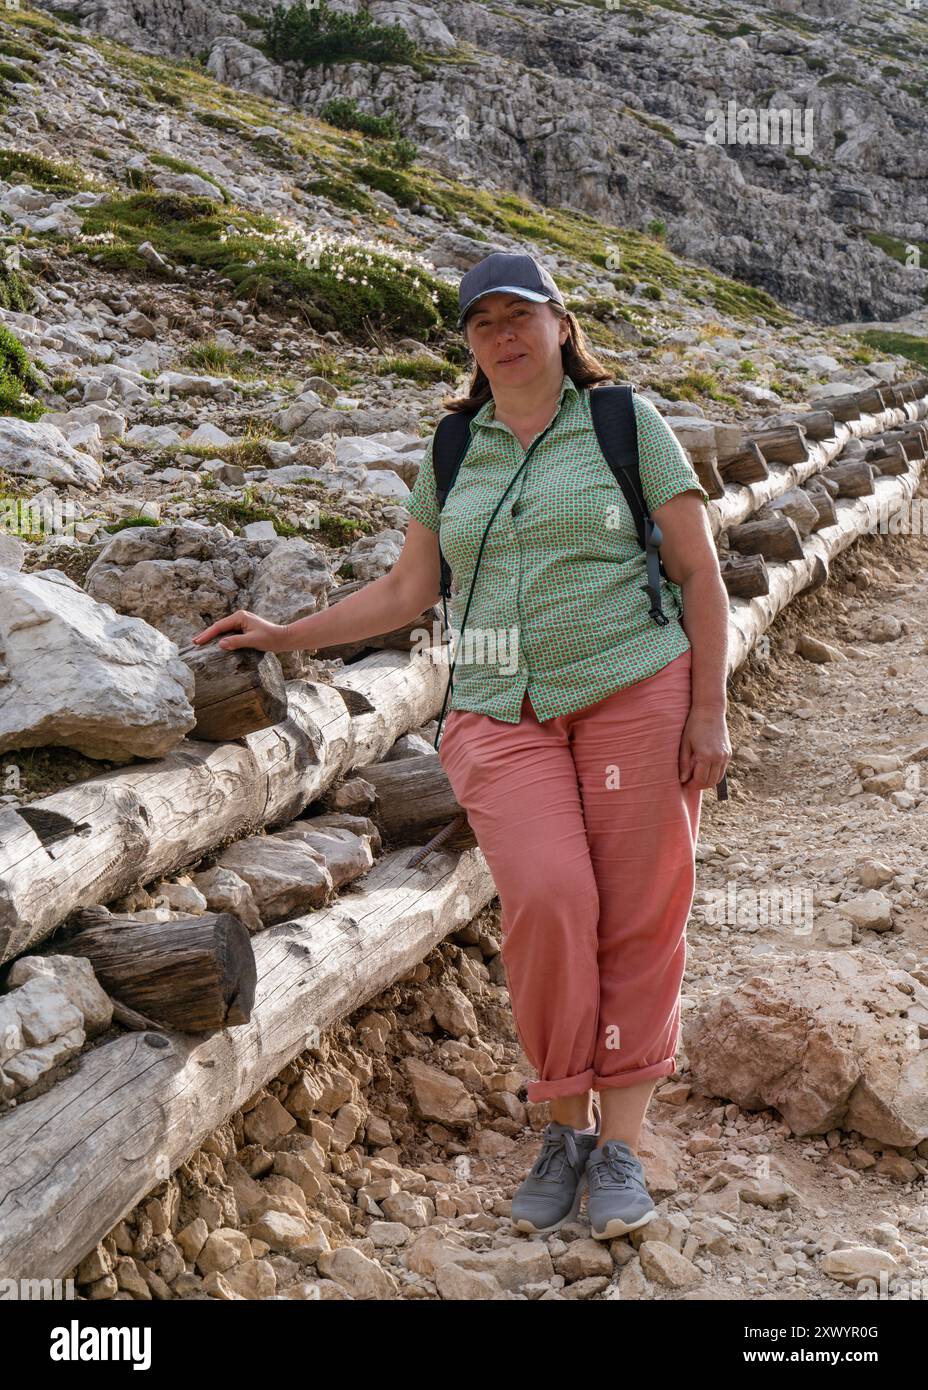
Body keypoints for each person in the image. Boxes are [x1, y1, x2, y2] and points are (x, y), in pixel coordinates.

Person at [192, 250, 732, 1243]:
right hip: (496, 709)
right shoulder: (452, 448)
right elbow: (406, 594)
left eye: (519, 314)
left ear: (560, 325)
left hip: (635, 691)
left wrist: (709, 711)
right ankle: (560, 1121)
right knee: (550, 896)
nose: (503, 334)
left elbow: (699, 573)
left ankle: (618, 1144)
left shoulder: (624, 423)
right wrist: (281, 632)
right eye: (481, 322)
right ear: (471, 346)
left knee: (640, 910)